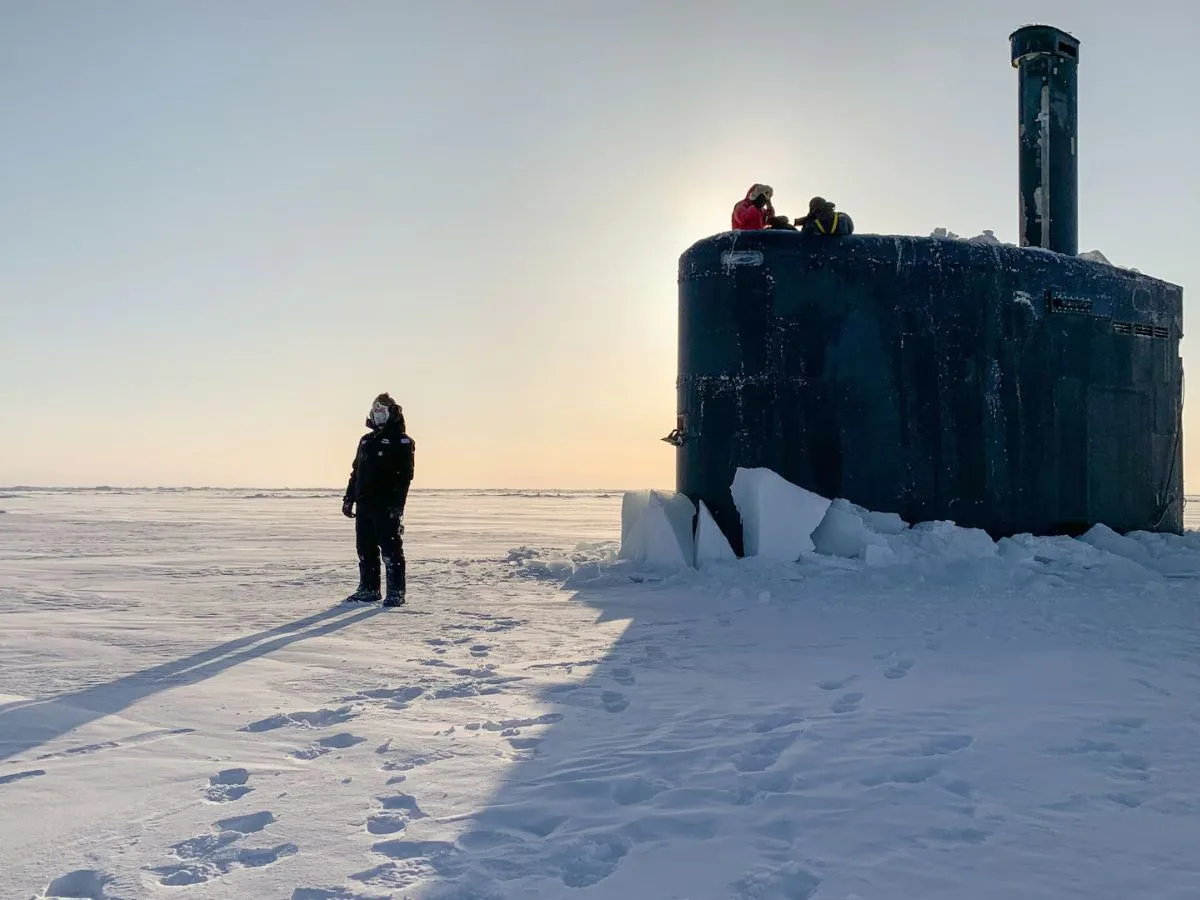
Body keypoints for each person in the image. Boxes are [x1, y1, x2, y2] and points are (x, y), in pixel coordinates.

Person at [342, 393, 415, 606]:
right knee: (365, 549)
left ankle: (396, 592)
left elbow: (405, 478)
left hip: (386, 506)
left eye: (382, 411)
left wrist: (396, 507)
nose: (378, 415)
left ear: (392, 413)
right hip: (365, 504)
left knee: (391, 550)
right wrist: (349, 498)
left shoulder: (401, 442)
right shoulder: (366, 441)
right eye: (375, 411)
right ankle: (369, 588)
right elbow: (356, 472)